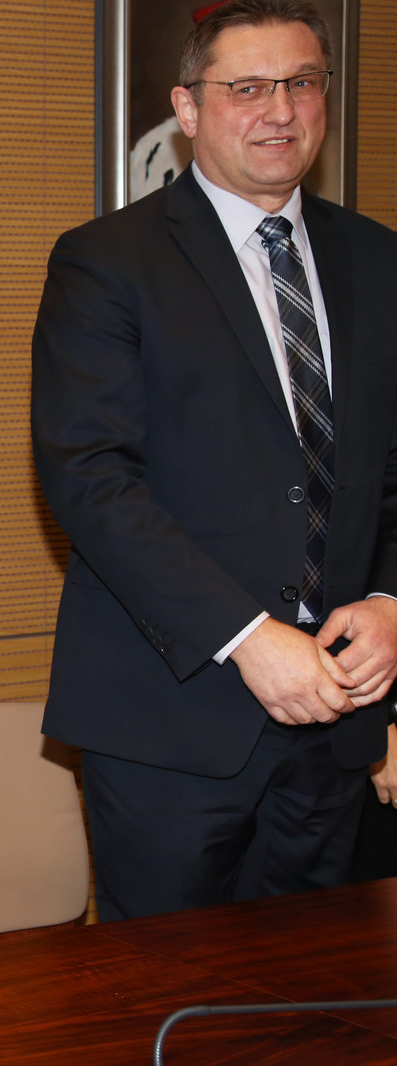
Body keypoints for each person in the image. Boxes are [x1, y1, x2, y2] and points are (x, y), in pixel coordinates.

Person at [31, 0, 397, 922]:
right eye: (248, 88)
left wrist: (392, 602)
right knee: (169, 991)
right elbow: (91, 480)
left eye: (302, 83)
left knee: (317, 991)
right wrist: (248, 635)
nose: (281, 110)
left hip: (338, 724)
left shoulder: (378, 260)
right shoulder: (106, 262)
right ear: (188, 108)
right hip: (172, 721)